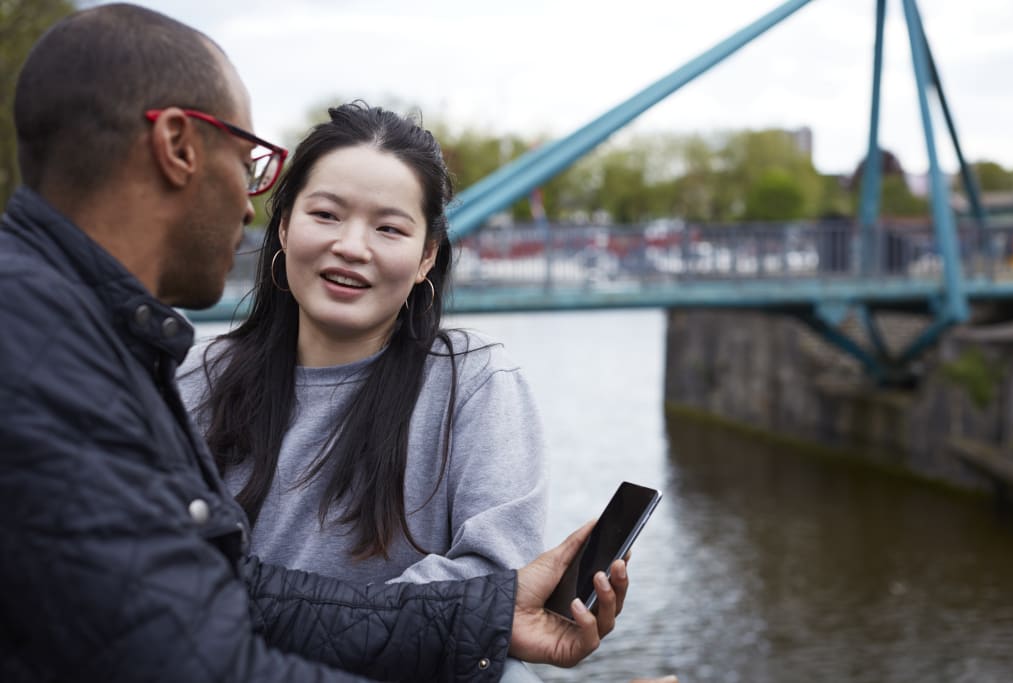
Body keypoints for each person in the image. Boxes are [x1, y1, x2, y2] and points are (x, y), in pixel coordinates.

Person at [0, 4, 631, 682]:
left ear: (428, 256)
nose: (247, 204)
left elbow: (218, 597)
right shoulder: (69, 362)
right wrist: (469, 615)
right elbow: (203, 645)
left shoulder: (72, 337)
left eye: (389, 227)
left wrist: (477, 610)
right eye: (249, 168)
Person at [176, 101, 547, 681]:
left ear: (427, 255)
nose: (352, 246)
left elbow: (495, 581)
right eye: (326, 214)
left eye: (389, 228)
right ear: (282, 225)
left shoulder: (475, 382)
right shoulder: (194, 378)